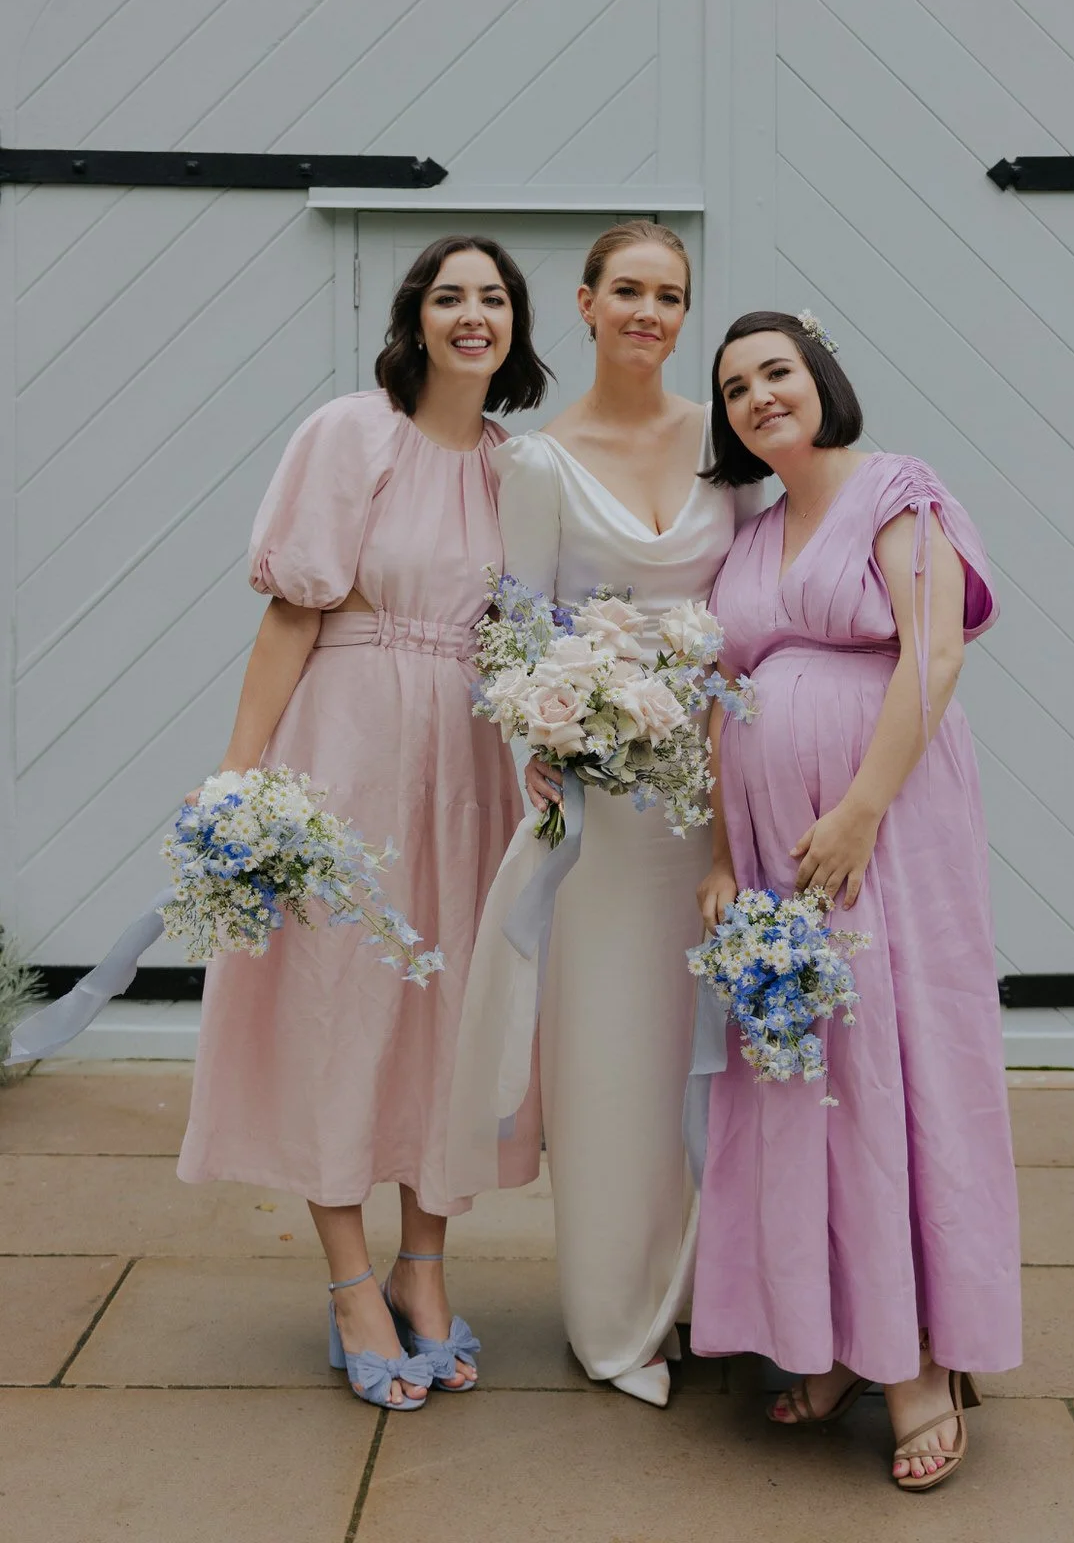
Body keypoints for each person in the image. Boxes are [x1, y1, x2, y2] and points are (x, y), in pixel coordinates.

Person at [178, 236, 549, 1409]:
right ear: (415, 318)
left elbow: (528, 640)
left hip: (473, 767)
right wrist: (240, 776)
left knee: (453, 1016)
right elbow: (292, 614)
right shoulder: (354, 433)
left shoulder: (517, 468)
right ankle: (348, 1282)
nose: (472, 314)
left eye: (493, 297)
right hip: (345, 749)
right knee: (335, 1003)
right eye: (450, 296)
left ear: (517, 326)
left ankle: (423, 1267)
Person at [689, 310, 1021, 1489]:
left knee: (888, 1061)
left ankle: (918, 1365)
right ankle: (827, 1336)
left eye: (775, 370)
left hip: (883, 827)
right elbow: (722, 698)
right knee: (799, 1076)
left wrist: (862, 807)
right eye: (734, 387)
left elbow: (932, 653)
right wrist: (723, 854)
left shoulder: (894, 488)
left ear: (820, 376)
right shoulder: (751, 532)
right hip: (778, 850)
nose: (758, 396)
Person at [446, 220, 758, 1406]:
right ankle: (617, 1314)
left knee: (715, 1051)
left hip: (715, 789)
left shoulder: (724, 442)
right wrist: (540, 735)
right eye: (626, 289)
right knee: (612, 1051)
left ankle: (716, 1292)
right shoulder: (536, 460)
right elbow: (513, 626)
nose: (648, 311)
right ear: (581, 303)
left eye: (668, 294)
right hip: (603, 796)